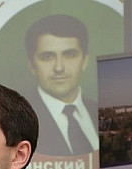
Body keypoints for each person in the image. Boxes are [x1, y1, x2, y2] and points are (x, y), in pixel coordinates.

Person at [25, 14, 99, 156]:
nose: (59, 68)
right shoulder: (17, 119)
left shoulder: (99, 111)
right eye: (47, 57)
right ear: (32, 65)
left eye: (70, 55)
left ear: (84, 60)